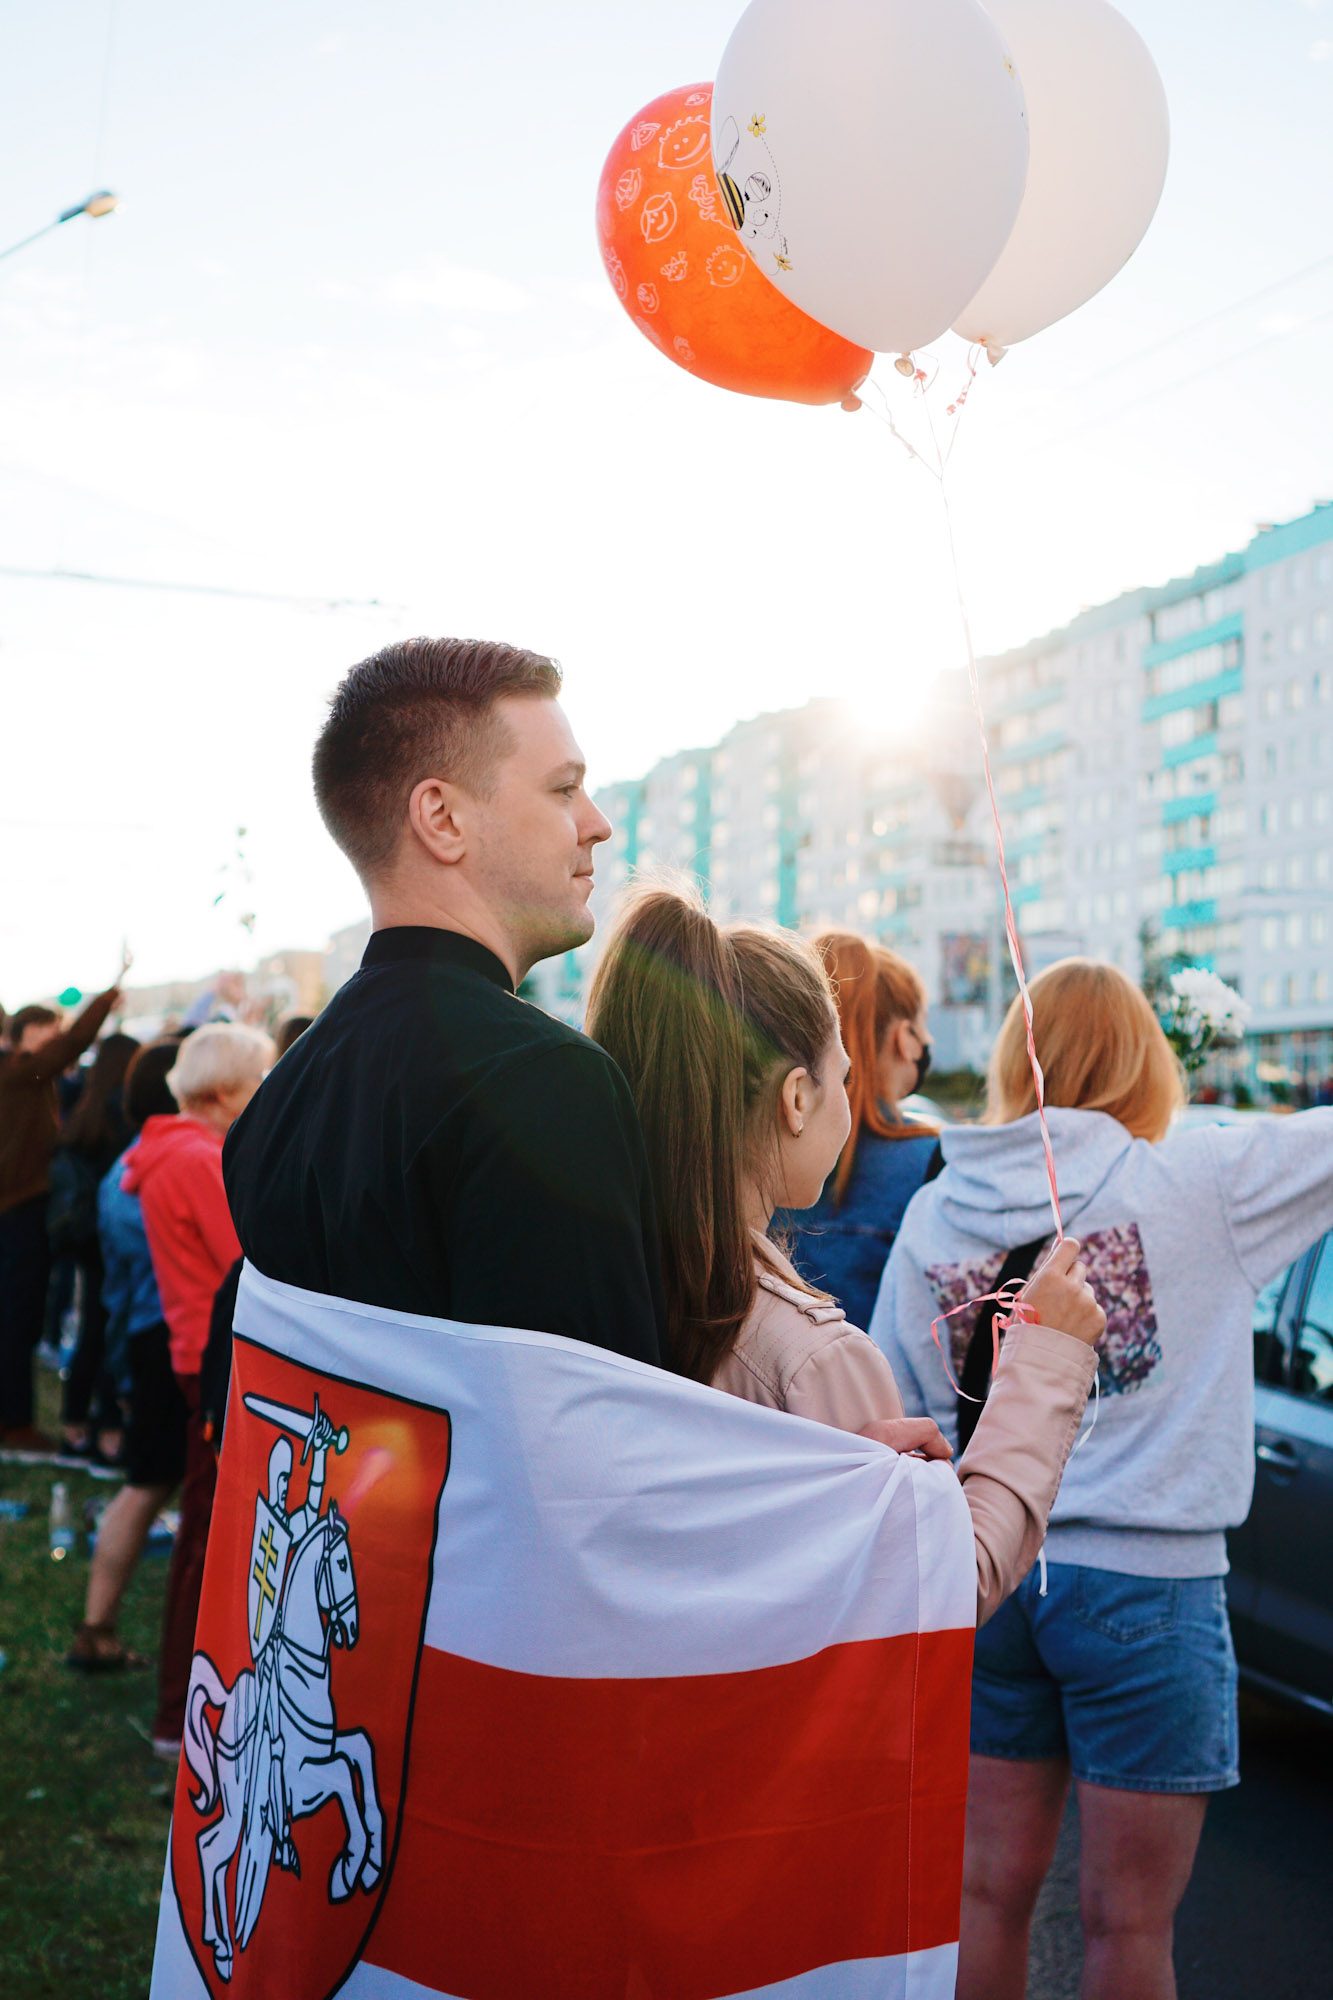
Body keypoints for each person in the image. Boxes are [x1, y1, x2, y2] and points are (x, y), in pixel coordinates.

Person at [872, 958, 1333, 2000]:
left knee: (985, 1894)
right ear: (1143, 1056)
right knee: (1128, 1924)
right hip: (1150, 1582)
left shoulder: (936, 1214)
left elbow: (888, 1415)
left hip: (991, 1577)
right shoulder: (1196, 1177)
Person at [585, 885, 1104, 1623]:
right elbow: (939, 1588)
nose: (848, 1102)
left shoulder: (596, 1283)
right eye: (843, 1078)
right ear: (797, 1098)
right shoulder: (811, 1360)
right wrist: (1045, 1358)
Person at [224, 636, 664, 1361]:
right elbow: (590, 1447)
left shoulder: (278, 1102)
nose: (597, 822)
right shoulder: (541, 1080)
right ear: (443, 819)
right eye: (562, 789)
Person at [126, 1022, 273, 1753]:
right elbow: (251, 1254)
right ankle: (179, 1709)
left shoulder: (174, 1150)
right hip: (209, 1357)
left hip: (194, 1348)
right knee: (205, 1537)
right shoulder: (195, 1158)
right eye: (258, 1084)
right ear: (221, 1093)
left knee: (204, 1528)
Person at [68, 1039, 188, 1670]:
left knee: (145, 1484)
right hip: (168, 1341)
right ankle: (96, 1630)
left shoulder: (127, 1165)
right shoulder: (172, 1167)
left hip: (142, 1337)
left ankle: (97, 1628)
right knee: (145, 1487)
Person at [779, 932, 939, 1332]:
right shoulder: (933, 1161)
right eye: (924, 1025)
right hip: (881, 1389)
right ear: (905, 1039)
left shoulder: (767, 1149)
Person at [0, 970, 126, 1448]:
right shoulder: (17, 1071)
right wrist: (110, 994)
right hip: (19, 1214)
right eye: (45, 1031)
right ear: (21, 1036)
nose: (55, 1040)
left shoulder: (23, 1078)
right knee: (19, 1318)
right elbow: (72, 1045)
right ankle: (15, 1425)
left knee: (19, 1318)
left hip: (21, 1211)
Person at [50, 1029, 141, 1459]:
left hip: (82, 1235)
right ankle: (108, 1429)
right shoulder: (123, 1113)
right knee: (112, 1328)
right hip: (113, 1237)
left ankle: (74, 1427)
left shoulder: (85, 1108)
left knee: (90, 1329)